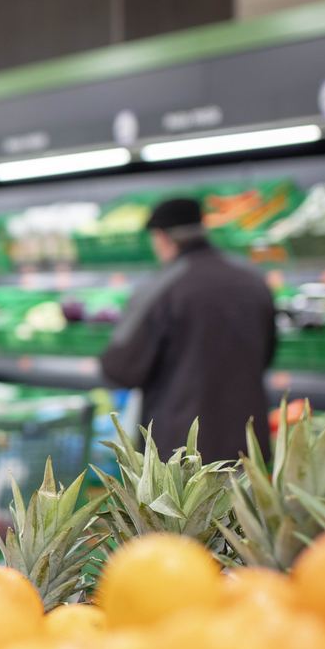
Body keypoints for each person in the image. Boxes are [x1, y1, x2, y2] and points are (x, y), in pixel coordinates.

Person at [97, 197, 276, 463]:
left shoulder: (162, 285)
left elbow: (120, 367)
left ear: (161, 237)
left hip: (183, 456)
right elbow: (268, 353)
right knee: (245, 506)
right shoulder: (252, 278)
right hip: (248, 448)